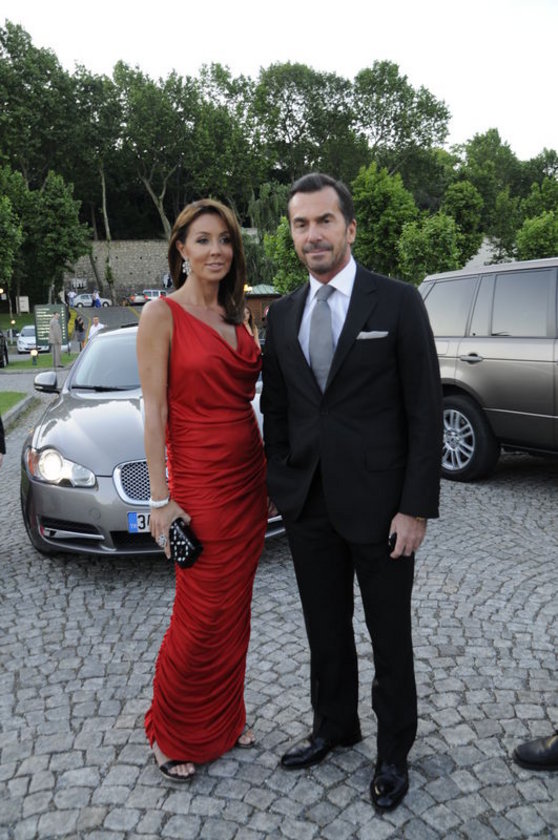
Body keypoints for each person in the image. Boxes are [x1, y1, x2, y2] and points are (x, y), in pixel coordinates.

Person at [261, 173, 443, 812]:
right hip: (308, 504)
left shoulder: (396, 303)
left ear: (350, 228)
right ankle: (334, 727)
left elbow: (425, 409)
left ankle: (393, 752)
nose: (312, 234)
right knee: (324, 628)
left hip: (384, 507)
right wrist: (282, 483)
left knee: (390, 635)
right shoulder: (283, 314)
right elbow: (278, 409)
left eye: (324, 221)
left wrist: (415, 506)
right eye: (301, 224)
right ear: (292, 234)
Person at [137, 198, 267, 783]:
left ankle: (225, 720)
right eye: (204, 240)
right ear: (181, 249)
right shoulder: (160, 315)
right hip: (201, 486)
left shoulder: (239, 317)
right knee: (200, 614)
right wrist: (160, 499)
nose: (217, 250)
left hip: (248, 482)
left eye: (226, 240)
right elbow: (154, 413)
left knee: (235, 612)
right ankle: (171, 732)